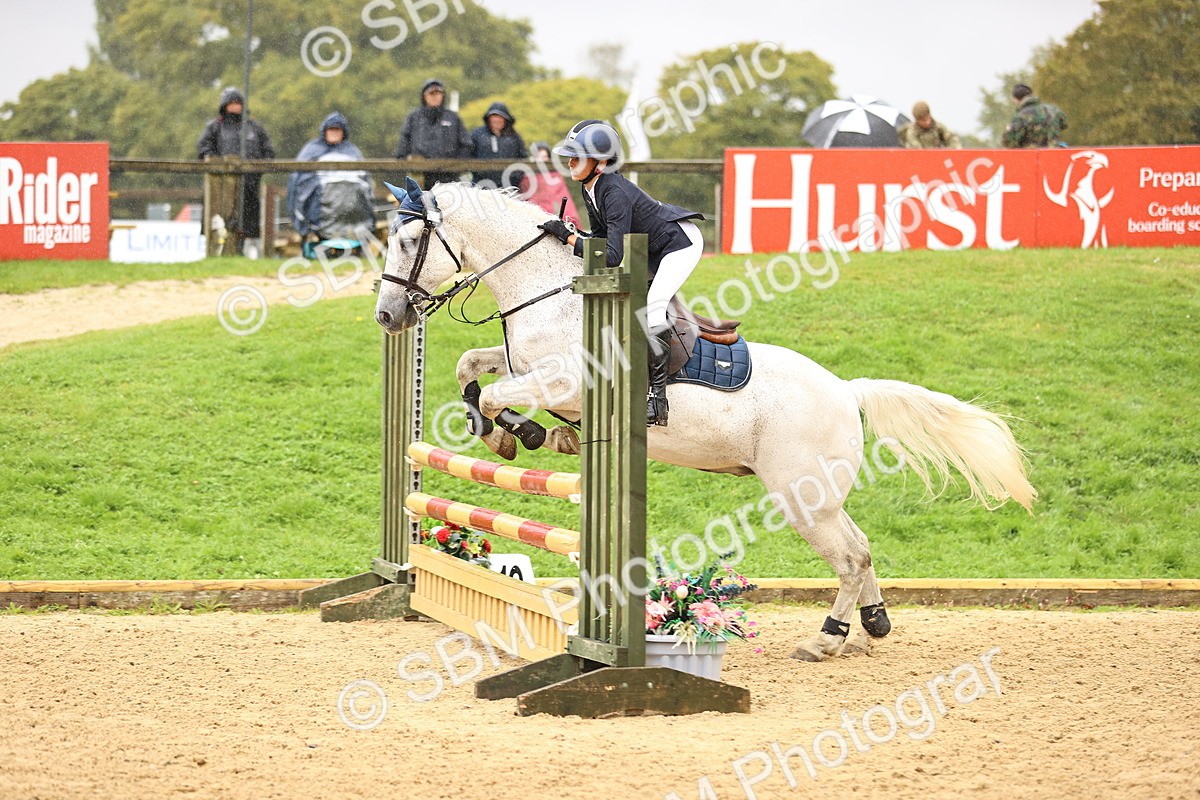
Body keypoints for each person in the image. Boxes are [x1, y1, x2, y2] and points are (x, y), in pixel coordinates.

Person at [537, 120, 704, 428]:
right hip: (651, 247)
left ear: (600, 162)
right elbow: (600, 237)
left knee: (653, 308)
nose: (570, 162)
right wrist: (572, 234)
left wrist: (568, 237)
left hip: (679, 244)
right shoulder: (591, 188)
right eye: (570, 156)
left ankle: (658, 399)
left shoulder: (613, 192)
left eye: (578, 156)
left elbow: (612, 256)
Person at [197, 86, 275, 255]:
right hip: (221, 188)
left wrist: (256, 167)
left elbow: (268, 152)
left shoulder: (254, 127)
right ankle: (217, 254)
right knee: (220, 223)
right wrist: (219, 166)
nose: (235, 106)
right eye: (231, 102)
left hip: (249, 186)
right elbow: (204, 150)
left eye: (238, 102)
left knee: (245, 225)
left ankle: (242, 253)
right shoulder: (214, 127)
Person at [286, 111, 374, 258]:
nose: (334, 133)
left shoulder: (352, 151)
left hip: (350, 206)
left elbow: (364, 179)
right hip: (320, 204)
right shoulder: (311, 149)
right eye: (331, 129)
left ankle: (351, 249)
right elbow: (299, 178)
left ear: (343, 132)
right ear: (325, 131)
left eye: (337, 130)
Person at [395, 79, 472, 189]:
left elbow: (466, 144)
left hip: (449, 175)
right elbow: (404, 142)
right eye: (432, 93)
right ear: (424, 96)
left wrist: (456, 164)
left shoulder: (453, 117)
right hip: (420, 174)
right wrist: (404, 160)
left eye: (439, 93)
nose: (435, 96)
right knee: (421, 204)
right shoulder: (414, 117)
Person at [518, 141, 581, 227]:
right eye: (538, 157)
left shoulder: (556, 177)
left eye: (544, 157)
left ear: (548, 158)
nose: (541, 160)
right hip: (535, 218)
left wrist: (570, 220)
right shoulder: (527, 177)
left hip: (554, 217)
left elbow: (564, 199)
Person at [469, 101, 528, 189]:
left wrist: (514, 178)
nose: (496, 120)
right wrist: (480, 173)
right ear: (488, 118)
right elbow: (468, 157)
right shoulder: (477, 134)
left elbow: (523, 158)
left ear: (506, 119)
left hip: (509, 187)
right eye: (494, 116)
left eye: (500, 117)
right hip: (481, 185)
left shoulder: (514, 137)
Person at [1002, 83, 1068, 148]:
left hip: (1032, 156)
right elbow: (1064, 124)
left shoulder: (1021, 116)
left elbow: (1009, 143)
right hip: (1055, 154)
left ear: (1016, 99)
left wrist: (1008, 130)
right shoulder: (1054, 110)